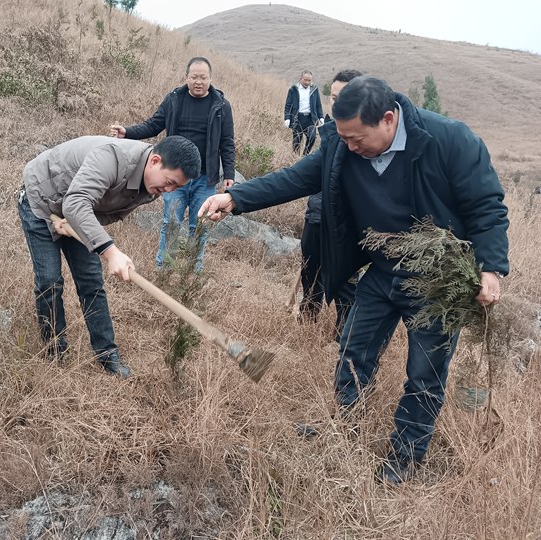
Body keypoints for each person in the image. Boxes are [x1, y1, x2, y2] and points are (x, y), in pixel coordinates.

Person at [199, 77, 509, 484]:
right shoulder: (341, 148)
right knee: (352, 349)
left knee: (424, 373)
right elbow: (293, 179)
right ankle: (345, 426)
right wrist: (236, 198)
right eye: (343, 138)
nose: (349, 146)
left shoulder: (448, 140)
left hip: (436, 283)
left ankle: (406, 456)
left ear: (387, 119)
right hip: (381, 272)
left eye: (356, 138)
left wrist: (490, 267)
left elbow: (486, 206)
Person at [18, 135, 201, 378]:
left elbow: (109, 213)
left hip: (74, 211)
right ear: (155, 160)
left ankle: (107, 355)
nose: (168, 191)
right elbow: (75, 203)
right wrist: (111, 251)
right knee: (50, 282)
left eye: (175, 188)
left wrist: (75, 225)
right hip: (41, 199)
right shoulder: (113, 158)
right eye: (169, 182)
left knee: (91, 282)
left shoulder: (150, 187)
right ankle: (55, 352)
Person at [110, 57, 235, 271]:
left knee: (200, 226)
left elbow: (227, 142)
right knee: (171, 223)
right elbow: (154, 124)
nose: (198, 82)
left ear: (210, 79)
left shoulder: (221, 106)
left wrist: (229, 174)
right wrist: (127, 132)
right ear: (186, 77)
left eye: (203, 77)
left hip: (205, 179)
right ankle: (164, 270)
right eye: (194, 77)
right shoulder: (174, 99)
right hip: (174, 178)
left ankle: (192, 273)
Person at [298, 70, 363, 339]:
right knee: (310, 273)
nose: (336, 103)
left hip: (347, 228)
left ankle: (342, 337)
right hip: (317, 216)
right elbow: (299, 177)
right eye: (333, 97)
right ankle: (306, 322)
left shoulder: (364, 141)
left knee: (346, 284)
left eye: (343, 97)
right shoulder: (331, 134)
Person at [284, 70, 324, 155]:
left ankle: (305, 156)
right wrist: (287, 118)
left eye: (309, 80)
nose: (307, 82)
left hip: (310, 118)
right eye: (305, 80)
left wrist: (321, 117)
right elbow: (288, 105)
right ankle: (296, 159)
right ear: (300, 78)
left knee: (312, 137)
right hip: (297, 118)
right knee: (297, 141)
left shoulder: (314, 90)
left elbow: (318, 105)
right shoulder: (293, 89)